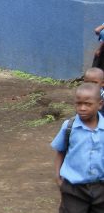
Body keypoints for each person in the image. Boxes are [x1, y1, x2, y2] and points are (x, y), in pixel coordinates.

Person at [51, 83, 104, 212]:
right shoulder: (69, 127)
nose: (82, 108)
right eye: (78, 104)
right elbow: (61, 151)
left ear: (100, 104)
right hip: (73, 188)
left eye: (88, 104)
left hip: (101, 188)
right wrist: (58, 178)